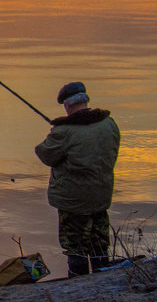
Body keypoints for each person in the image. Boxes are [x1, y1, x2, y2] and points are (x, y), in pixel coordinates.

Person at [34, 81, 120, 277]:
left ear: (67, 105)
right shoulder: (109, 124)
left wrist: (56, 132)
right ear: (85, 100)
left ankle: (77, 280)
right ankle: (102, 275)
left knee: (75, 245)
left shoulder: (63, 132)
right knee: (99, 242)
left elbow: (46, 155)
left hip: (73, 200)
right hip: (101, 194)